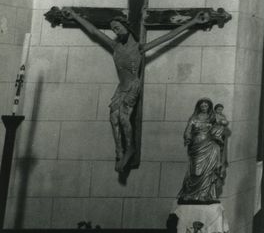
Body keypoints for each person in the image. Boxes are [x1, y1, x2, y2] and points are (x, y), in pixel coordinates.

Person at [62, 9, 211, 172]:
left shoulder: (140, 48)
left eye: (117, 27)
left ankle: (130, 148)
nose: (114, 31)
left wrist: (193, 21)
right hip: (121, 86)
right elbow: (93, 31)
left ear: (126, 26)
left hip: (133, 85)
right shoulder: (115, 46)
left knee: (123, 118)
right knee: (113, 118)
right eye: (112, 29)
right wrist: (75, 16)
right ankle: (119, 151)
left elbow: (169, 36)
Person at [178, 98, 228, 204]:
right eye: (202, 106)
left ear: (209, 107)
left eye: (206, 106)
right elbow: (188, 130)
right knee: (196, 170)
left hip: (210, 145)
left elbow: (224, 122)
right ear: (199, 107)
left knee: (208, 170)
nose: (204, 107)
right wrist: (187, 138)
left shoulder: (212, 117)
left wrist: (220, 122)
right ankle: (191, 193)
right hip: (197, 146)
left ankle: (204, 195)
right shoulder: (194, 118)